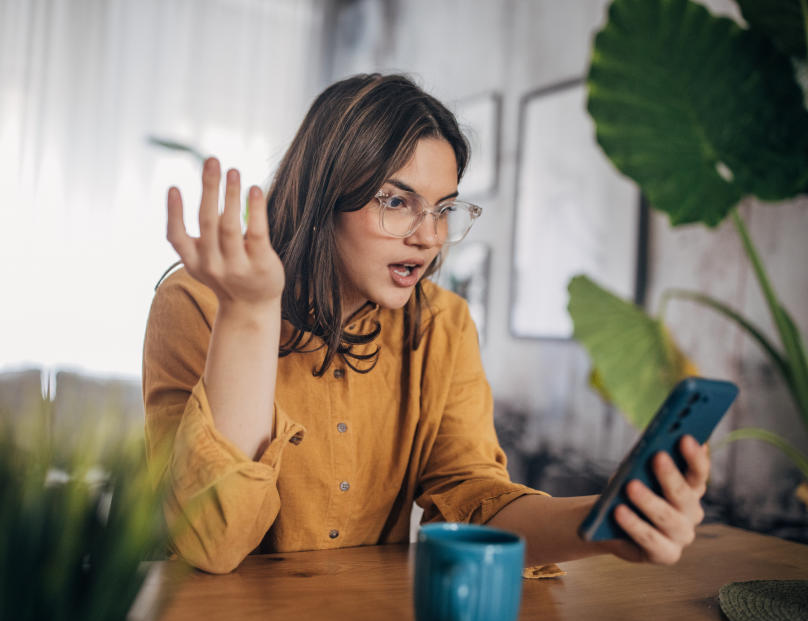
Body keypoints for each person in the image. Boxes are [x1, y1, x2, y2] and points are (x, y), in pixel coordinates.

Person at [142, 73, 709, 574]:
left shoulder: (444, 323)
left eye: (443, 208)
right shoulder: (201, 305)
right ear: (323, 197)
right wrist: (251, 315)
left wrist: (606, 517)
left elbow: (476, 497)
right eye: (397, 201)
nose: (430, 236)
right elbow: (208, 544)